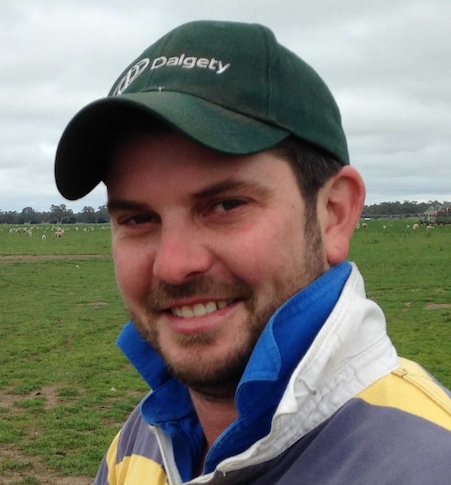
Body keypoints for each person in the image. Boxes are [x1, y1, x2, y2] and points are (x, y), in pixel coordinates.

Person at [54, 20, 451, 484]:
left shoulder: (428, 462)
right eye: (137, 219)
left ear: (334, 213)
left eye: (225, 205)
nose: (175, 265)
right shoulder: (137, 447)